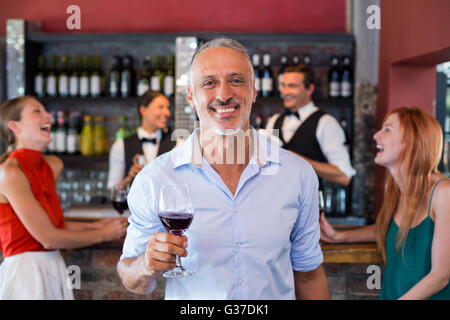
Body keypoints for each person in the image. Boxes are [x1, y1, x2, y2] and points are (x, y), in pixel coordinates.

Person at [117, 38, 330, 300]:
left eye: (236, 80)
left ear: (254, 90)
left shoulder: (297, 174)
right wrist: (145, 265)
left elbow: (308, 274)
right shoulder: (155, 178)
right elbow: (132, 278)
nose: (223, 94)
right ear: (192, 97)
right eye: (209, 83)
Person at [0, 96, 128, 299]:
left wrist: (97, 224)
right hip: (26, 273)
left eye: (45, 110)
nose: (47, 115)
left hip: (53, 265)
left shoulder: (51, 165)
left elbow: (55, 225)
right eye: (37, 111)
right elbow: (49, 238)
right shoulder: (9, 172)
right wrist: (104, 233)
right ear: (14, 126)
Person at [320, 106, 450, 300]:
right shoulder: (396, 191)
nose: (376, 136)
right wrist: (339, 236)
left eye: (387, 130)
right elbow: (387, 229)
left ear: (412, 141)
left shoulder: (444, 193)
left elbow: (441, 276)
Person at [265, 64, 355, 186]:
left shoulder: (325, 123)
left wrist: (298, 160)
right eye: (283, 85)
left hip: (312, 202)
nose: (285, 91)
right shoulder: (274, 121)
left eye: (292, 86)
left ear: (309, 89)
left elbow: (344, 175)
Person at [107, 90, 176, 189]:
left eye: (167, 108)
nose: (167, 113)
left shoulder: (178, 144)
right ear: (143, 110)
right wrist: (129, 178)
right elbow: (112, 191)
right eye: (161, 107)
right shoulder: (120, 146)